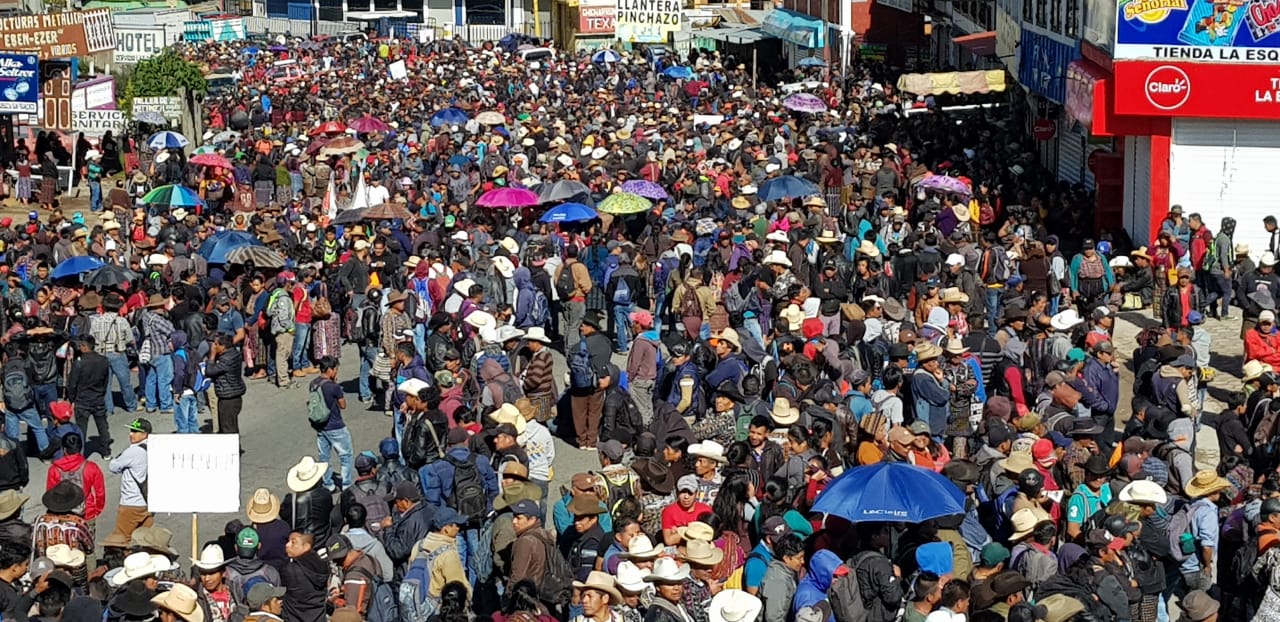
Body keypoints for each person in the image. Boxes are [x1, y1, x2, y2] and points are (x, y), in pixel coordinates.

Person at [310, 356, 353, 489]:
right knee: (346, 455)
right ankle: (346, 485)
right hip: (335, 426)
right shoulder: (333, 387)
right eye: (335, 369)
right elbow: (343, 405)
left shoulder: (313, 384)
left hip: (320, 426)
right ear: (329, 370)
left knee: (324, 457)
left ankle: (328, 484)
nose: (336, 372)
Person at [107, 418, 152, 542]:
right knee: (147, 541)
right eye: (131, 430)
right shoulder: (154, 447)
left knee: (122, 539)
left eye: (135, 431)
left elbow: (113, 466)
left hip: (130, 503)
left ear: (145, 434)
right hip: (149, 502)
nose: (131, 434)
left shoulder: (134, 451)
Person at [280, 531, 328, 622]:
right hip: (318, 617)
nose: (287, 545)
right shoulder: (323, 565)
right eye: (288, 541)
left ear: (306, 546)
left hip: (295, 617)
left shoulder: (292, 569)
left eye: (293, 542)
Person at [206, 333, 247, 435]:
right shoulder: (234, 353)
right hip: (232, 395)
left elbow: (210, 371)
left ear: (223, 346)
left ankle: (233, 450)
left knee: (228, 429)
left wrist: (212, 355)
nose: (214, 347)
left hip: (229, 398)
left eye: (216, 344)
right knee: (230, 426)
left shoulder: (226, 359)